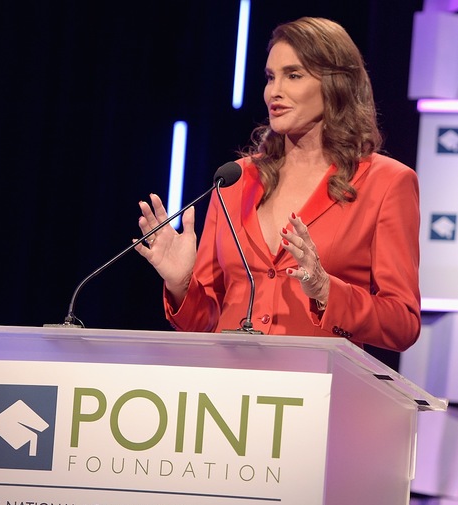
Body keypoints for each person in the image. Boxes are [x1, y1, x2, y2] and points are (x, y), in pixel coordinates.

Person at [134, 16, 420, 352]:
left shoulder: (386, 182)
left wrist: (327, 290)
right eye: (271, 77)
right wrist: (182, 284)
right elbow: (206, 321)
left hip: (317, 392)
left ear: (336, 84)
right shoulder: (235, 180)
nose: (275, 91)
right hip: (229, 390)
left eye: (293, 75)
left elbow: (402, 324)